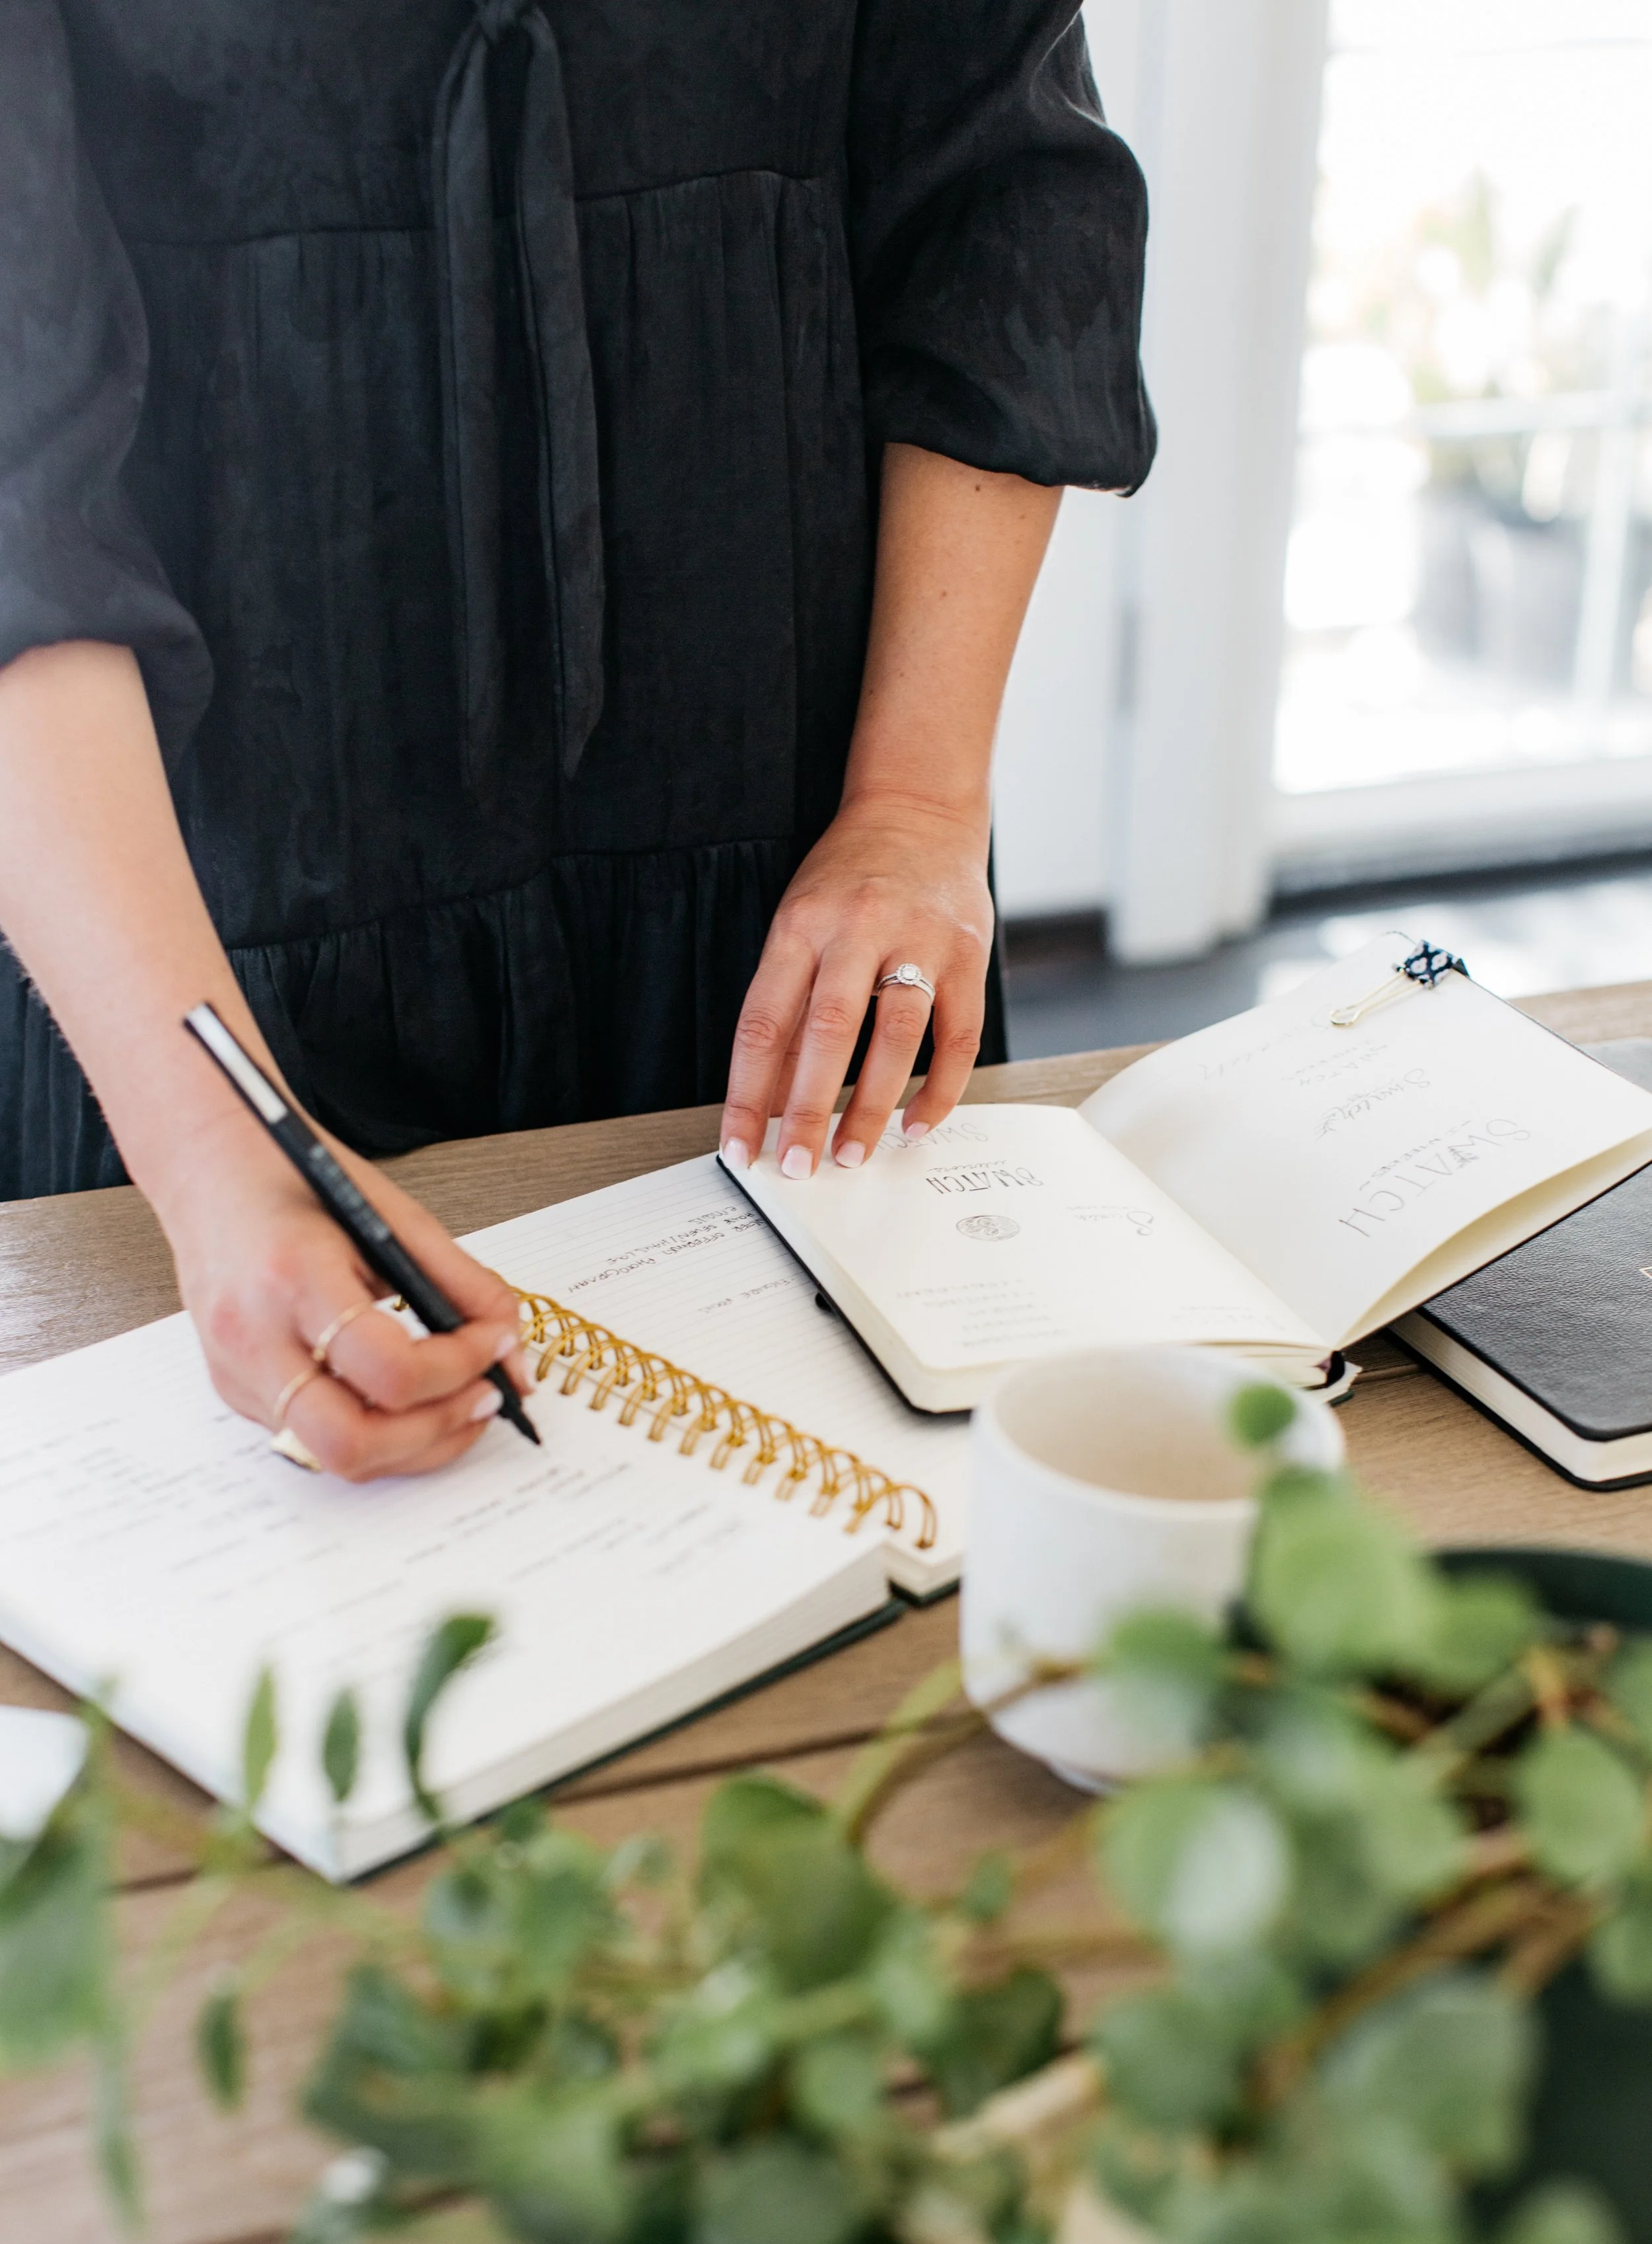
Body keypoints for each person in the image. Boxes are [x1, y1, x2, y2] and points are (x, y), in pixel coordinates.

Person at [0, 0, 1154, 1480]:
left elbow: (1003, 205)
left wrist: (918, 804)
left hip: (800, 892)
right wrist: (214, 1144)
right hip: (183, 953)